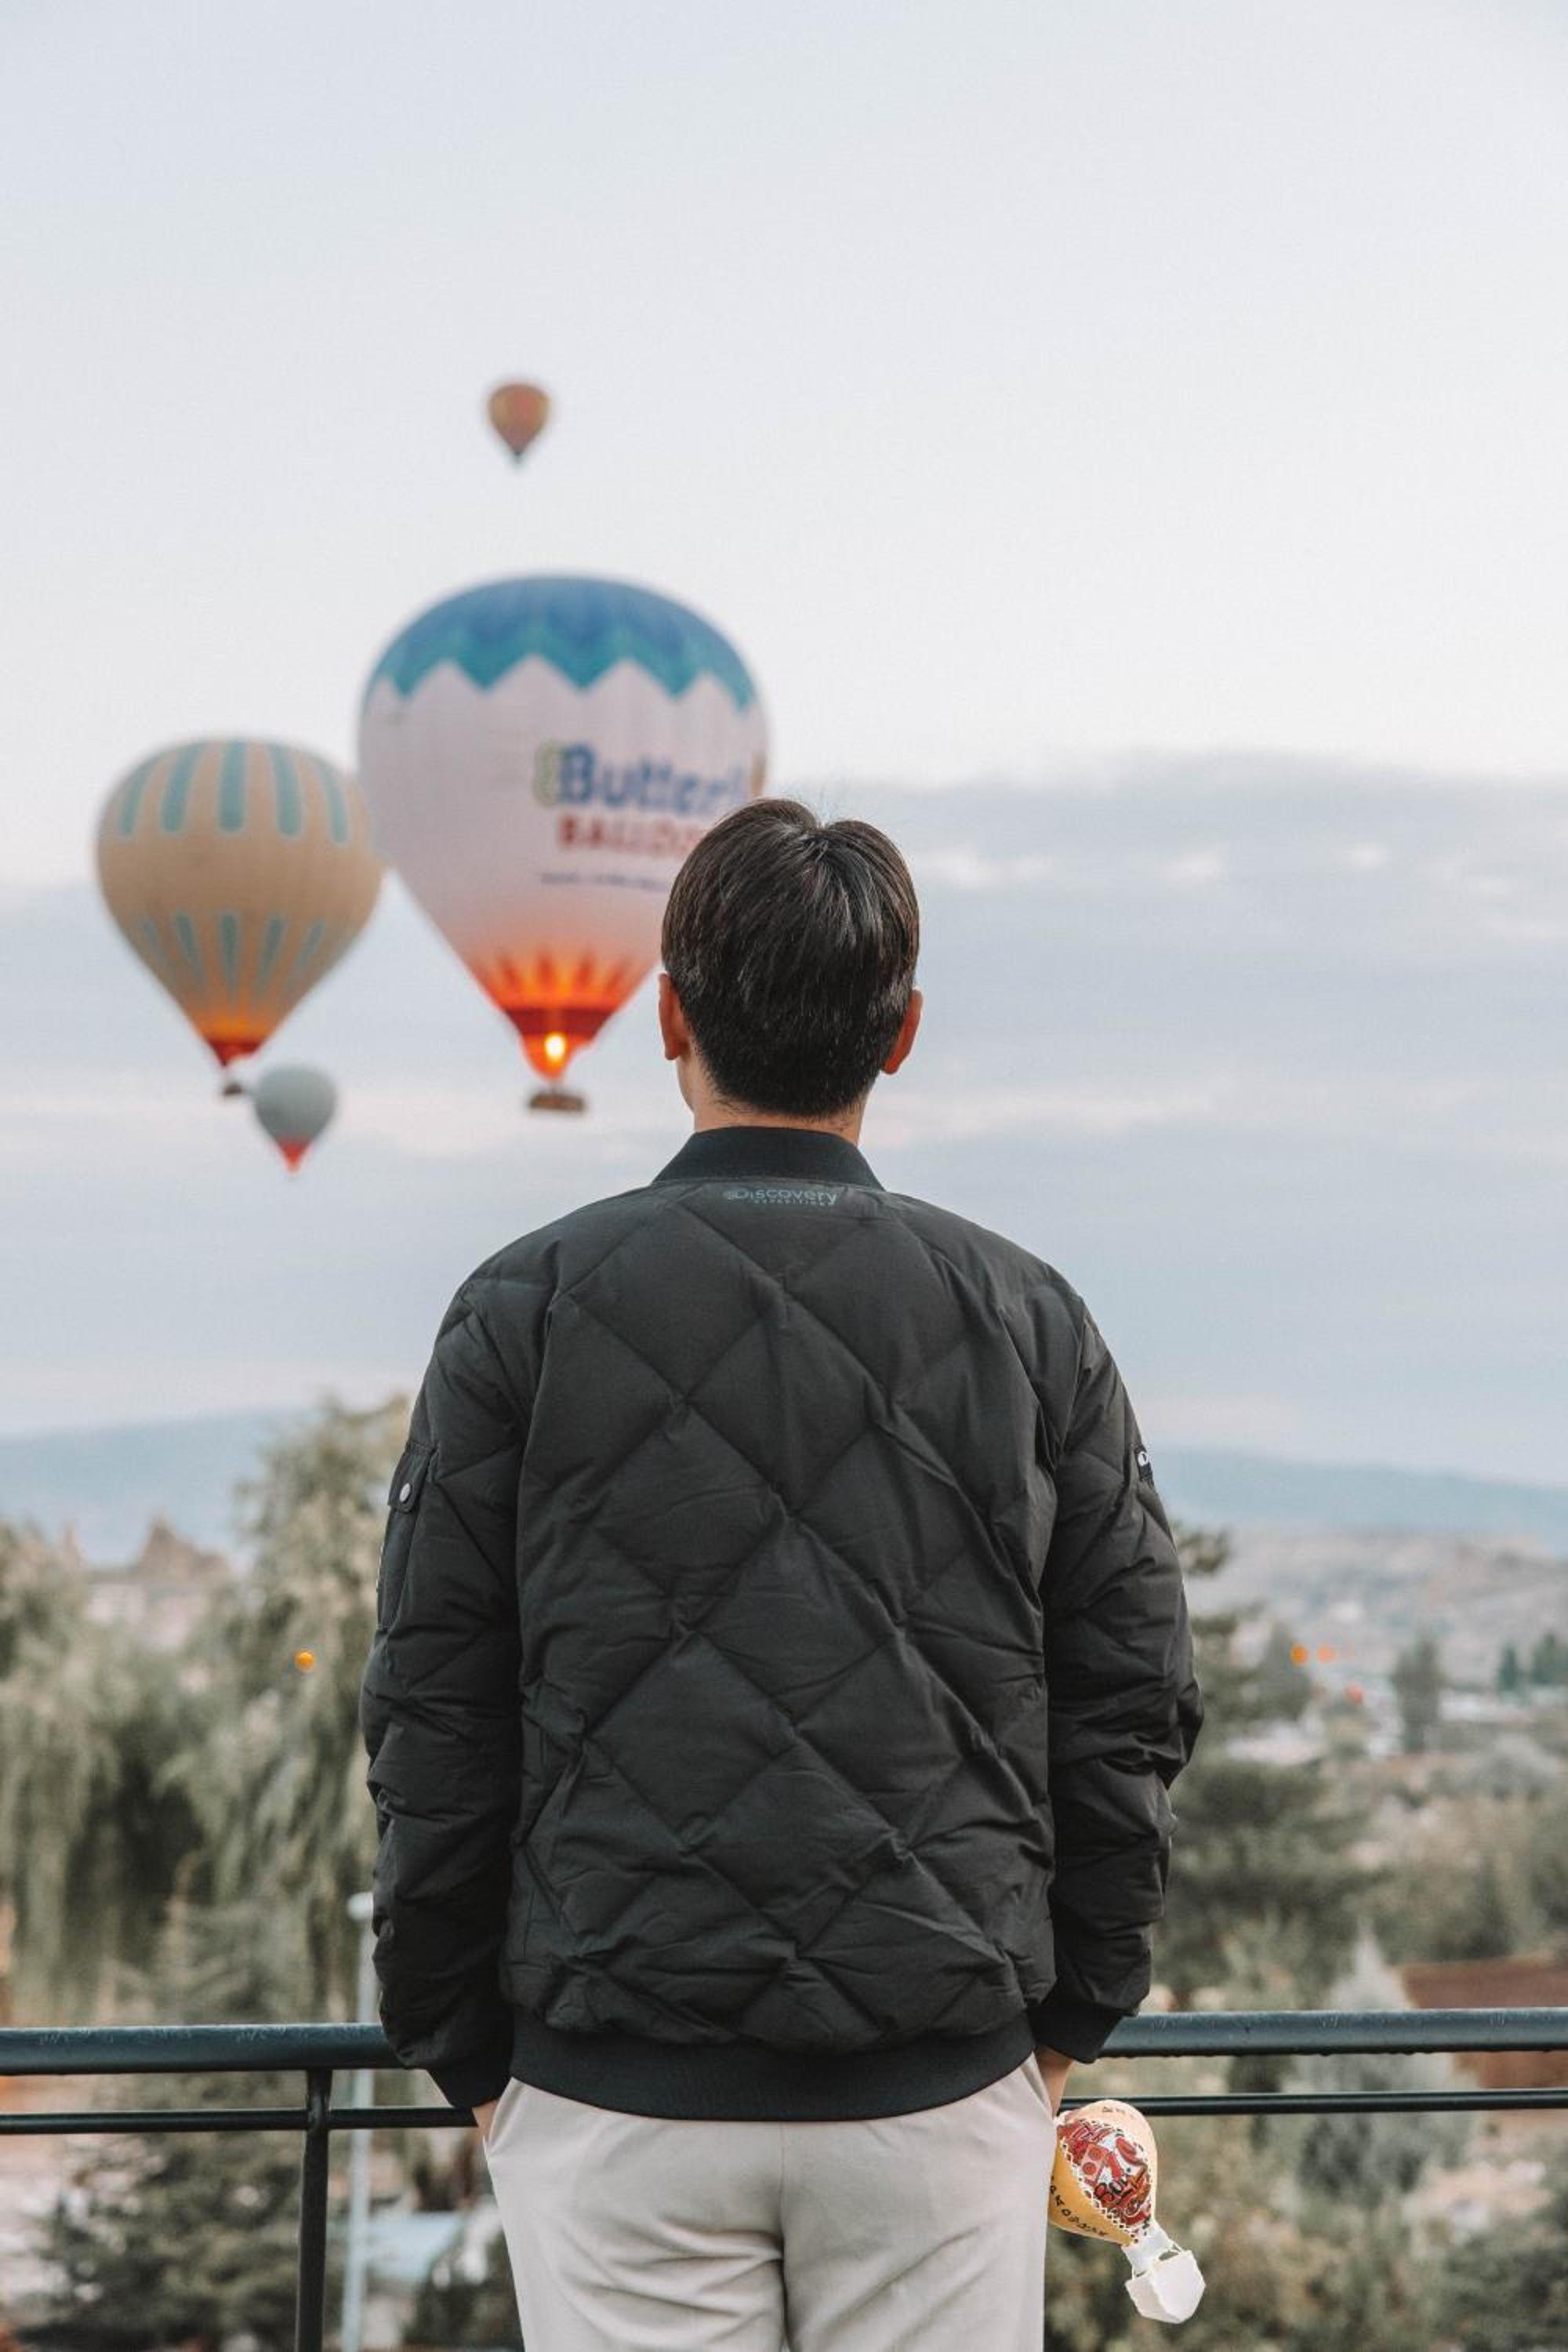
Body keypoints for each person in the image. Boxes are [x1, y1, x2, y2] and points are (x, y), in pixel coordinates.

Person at [360, 798, 1203, 2352]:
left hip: (611, 2085)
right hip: (940, 2077)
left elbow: (433, 1709)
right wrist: (1066, 2025)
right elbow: (1132, 1700)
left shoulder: (522, 1309)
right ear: (903, 1037)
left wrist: (468, 2052)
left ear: (666, 1016)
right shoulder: (1027, 1318)